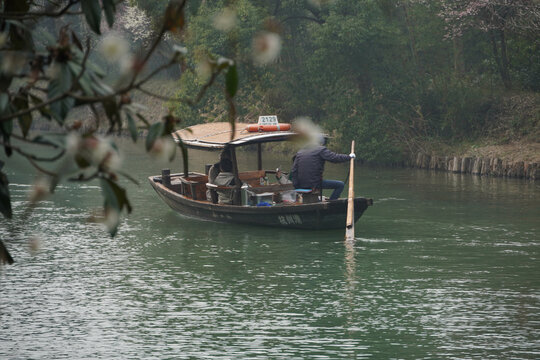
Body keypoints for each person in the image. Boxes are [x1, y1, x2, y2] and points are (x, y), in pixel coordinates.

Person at [290, 136, 355, 200]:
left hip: (302, 184)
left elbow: (294, 171)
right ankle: (332, 203)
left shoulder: (300, 152)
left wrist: (296, 186)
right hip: (315, 183)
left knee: (319, 182)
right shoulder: (321, 149)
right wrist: (348, 157)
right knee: (340, 185)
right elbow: (334, 158)